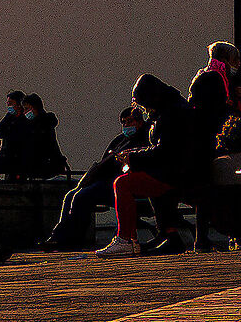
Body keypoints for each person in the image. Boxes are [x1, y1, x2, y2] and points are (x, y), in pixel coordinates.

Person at [99, 73, 204, 257]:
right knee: (141, 177)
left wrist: (132, 157)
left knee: (123, 184)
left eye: (144, 104)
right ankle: (168, 235)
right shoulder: (170, 109)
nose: (145, 109)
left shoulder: (171, 113)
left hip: (179, 173)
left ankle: (125, 239)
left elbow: (165, 151)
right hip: (180, 170)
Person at [38, 103, 146, 251]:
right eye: (124, 122)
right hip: (108, 182)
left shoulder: (144, 139)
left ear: (140, 122)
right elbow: (104, 163)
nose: (127, 125)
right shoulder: (120, 140)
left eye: (130, 121)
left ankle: (74, 238)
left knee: (83, 196)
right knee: (71, 195)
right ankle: (59, 235)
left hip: (122, 184)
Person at [22, 93, 67, 178]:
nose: (24, 112)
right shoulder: (44, 123)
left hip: (44, 167)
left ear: (34, 108)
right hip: (47, 166)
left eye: (26, 108)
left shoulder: (40, 126)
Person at [0, 90, 32, 178]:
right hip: (8, 157)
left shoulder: (26, 119)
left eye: (11, 103)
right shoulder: (9, 117)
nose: (9, 106)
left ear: (19, 104)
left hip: (20, 159)